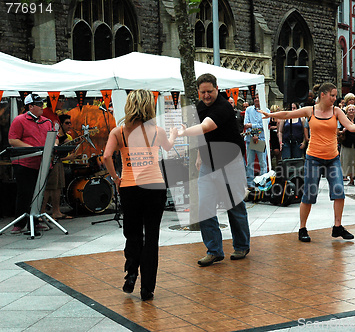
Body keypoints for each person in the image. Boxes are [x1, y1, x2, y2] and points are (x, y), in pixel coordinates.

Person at [259, 82, 355, 242]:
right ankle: (302, 228)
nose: (335, 98)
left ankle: (337, 226)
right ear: (323, 95)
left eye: (335, 95)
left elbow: (351, 126)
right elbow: (286, 115)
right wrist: (271, 116)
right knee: (309, 194)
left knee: (339, 191)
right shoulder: (310, 110)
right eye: (332, 95)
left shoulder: (337, 111)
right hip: (313, 158)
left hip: (333, 158)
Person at [103, 89, 177, 301]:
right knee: (152, 237)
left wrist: (116, 179)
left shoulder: (119, 132)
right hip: (155, 187)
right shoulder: (157, 131)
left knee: (132, 233)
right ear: (148, 106)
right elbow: (169, 147)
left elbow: (106, 156)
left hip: (130, 187)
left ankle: (131, 271)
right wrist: (173, 134)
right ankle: (148, 289)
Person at [178, 73, 250, 267]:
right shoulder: (200, 107)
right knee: (204, 207)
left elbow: (206, 127)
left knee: (234, 205)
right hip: (209, 165)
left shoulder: (224, 106)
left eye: (210, 91)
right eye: (203, 92)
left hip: (230, 163)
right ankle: (214, 250)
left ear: (217, 89)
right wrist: (200, 156)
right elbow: (203, 137)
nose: (207, 95)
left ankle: (242, 245)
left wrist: (183, 132)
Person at [8, 94, 54, 234]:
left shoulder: (46, 121)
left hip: (42, 163)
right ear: (30, 106)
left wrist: (54, 145)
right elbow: (13, 140)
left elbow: (55, 137)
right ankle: (20, 223)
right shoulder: (19, 120)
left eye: (42, 104)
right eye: (39, 105)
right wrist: (32, 148)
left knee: (38, 193)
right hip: (25, 162)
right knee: (25, 193)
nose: (42, 107)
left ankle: (34, 221)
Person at [41, 114, 75, 220]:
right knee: (49, 186)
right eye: (67, 123)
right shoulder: (48, 122)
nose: (69, 125)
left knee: (58, 186)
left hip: (58, 159)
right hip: (51, 159)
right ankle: (42, 212)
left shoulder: (64, 134)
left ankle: (56, 211)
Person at [243, 96, 268, 188]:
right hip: (250, 140)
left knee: (262, 163)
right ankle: (250, 184)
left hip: (260, 140)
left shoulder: (267, 111)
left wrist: (252, 125)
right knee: (249, 163)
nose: (256, 99)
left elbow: (264, 125)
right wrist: (254, 133)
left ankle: (263, 183)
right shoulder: (249, 110)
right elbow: (246, 124)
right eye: (255, 97)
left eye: (258, 97)